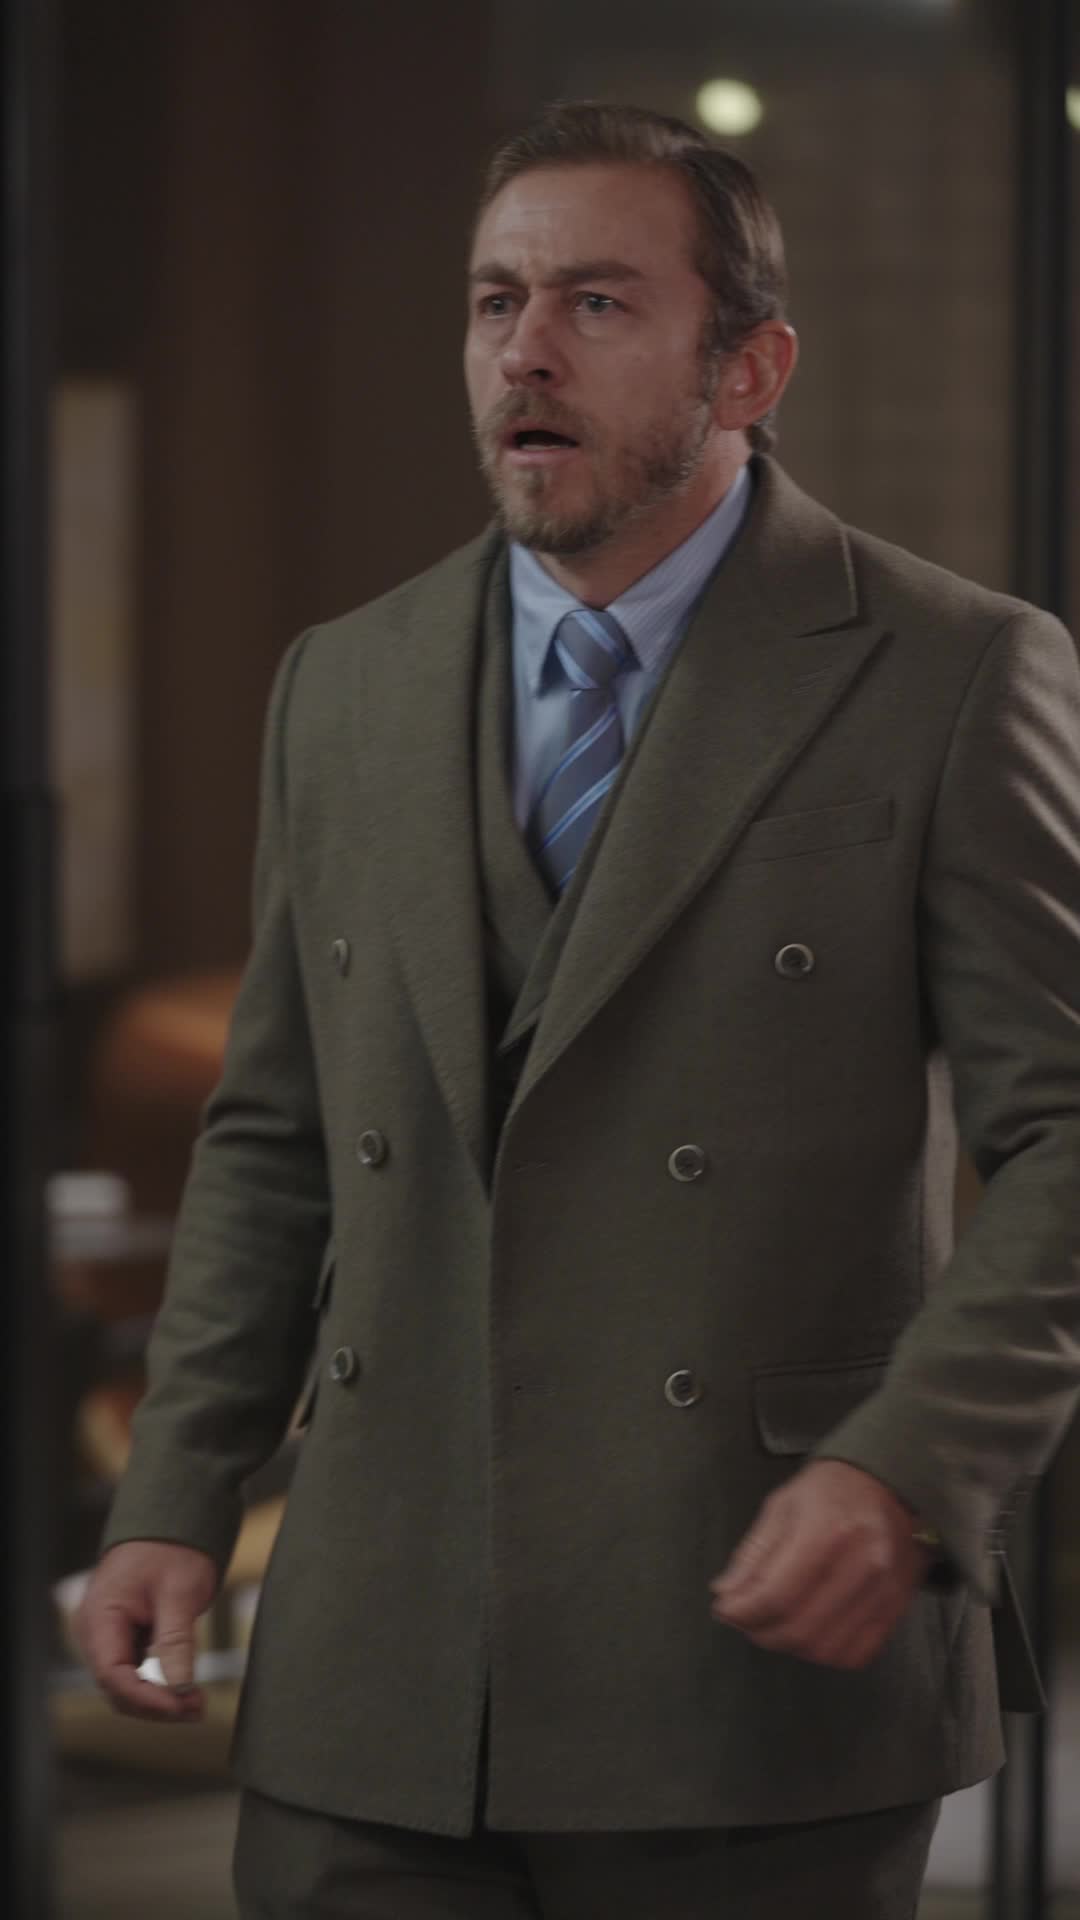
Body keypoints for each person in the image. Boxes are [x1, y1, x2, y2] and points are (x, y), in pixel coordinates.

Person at [77, 101, 1080, 1919]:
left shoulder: (951, 671)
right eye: (496, 301)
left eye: (597, 304)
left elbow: (1066, 1141)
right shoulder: (343, 687)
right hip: (375, 1673)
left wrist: (914, 1470)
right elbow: (275, 1139)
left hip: (748, 1665)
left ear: (750, 368)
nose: (524, 353)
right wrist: (174, 1491)